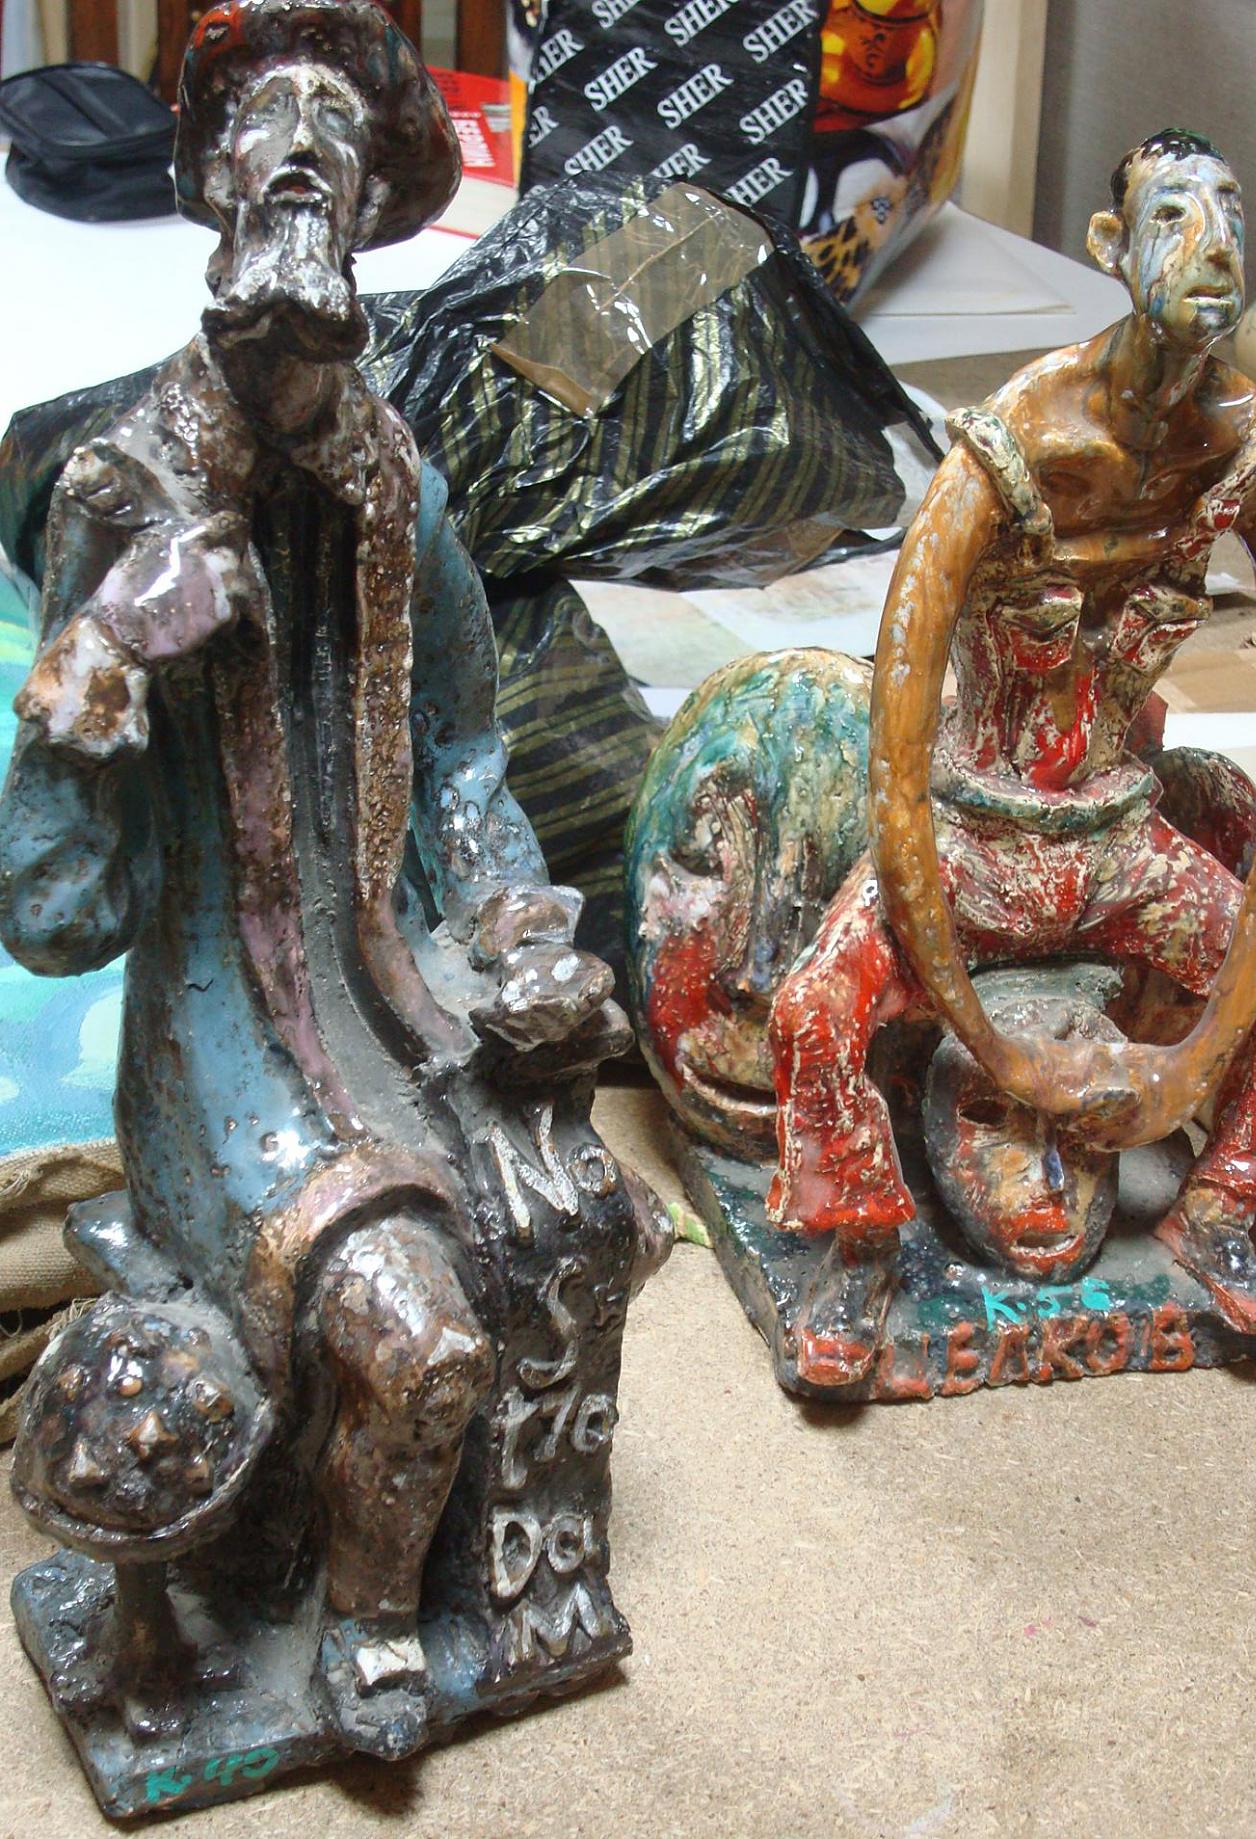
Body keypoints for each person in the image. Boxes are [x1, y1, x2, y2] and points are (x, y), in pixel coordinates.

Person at [0, 0, 626, 1757]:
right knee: (417, 1339)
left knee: (577, 1212)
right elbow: (51, 912)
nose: (299, 156)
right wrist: (104, 662)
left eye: (338, 136)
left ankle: (472, 1578)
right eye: (265, 124)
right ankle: (365, 1621)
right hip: (223, 1053)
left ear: (372, 210)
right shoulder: (121, 489)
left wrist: (507, 922)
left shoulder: (392, 482)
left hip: (397, 995)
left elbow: (467, 751)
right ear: (207, 179)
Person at [769, 130, 1256, 1386]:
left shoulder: (1249, 457)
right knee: (815, 1009)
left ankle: (1217, 1213)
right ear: (1111, 247)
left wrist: (1192, 1065)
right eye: (1171, 217)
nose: (1209, 243)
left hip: (1117, 849)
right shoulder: (1013, 443)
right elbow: (896, 759)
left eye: (1227, 211)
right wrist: (992, 1045)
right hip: (971, 844)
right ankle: (858, 1242)